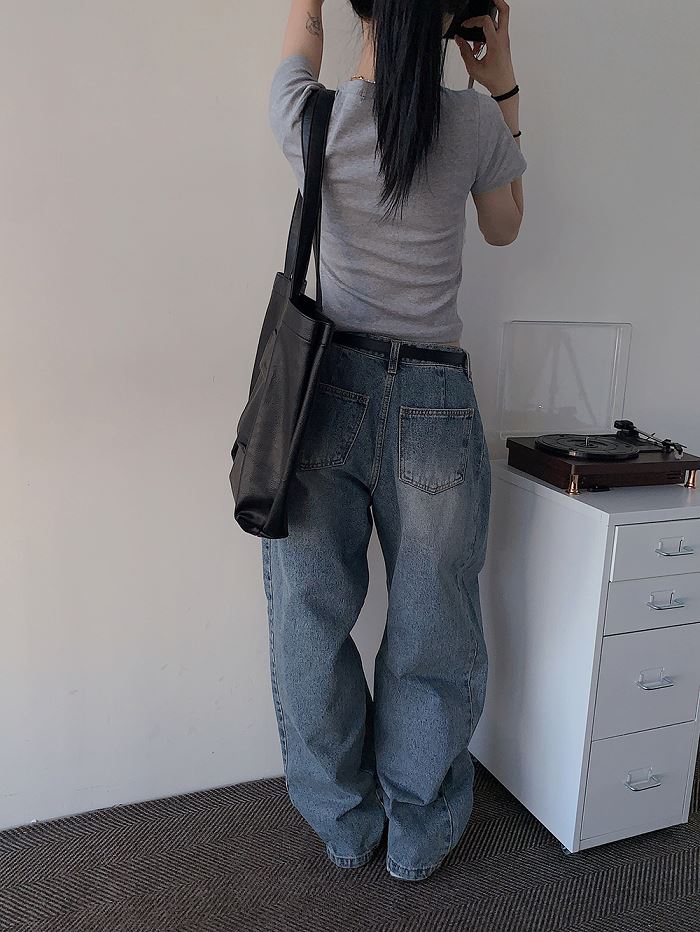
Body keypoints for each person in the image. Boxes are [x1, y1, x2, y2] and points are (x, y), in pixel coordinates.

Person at [262, 0, 526, 882]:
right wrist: (503, 82)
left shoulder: (312, 116)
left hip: (323, 396)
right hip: (433, 404)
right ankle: (416, 830)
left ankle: (345, 823)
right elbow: (506, 224)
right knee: (433, 631)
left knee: (309, 621)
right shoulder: (474, 123)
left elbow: (301, 39)